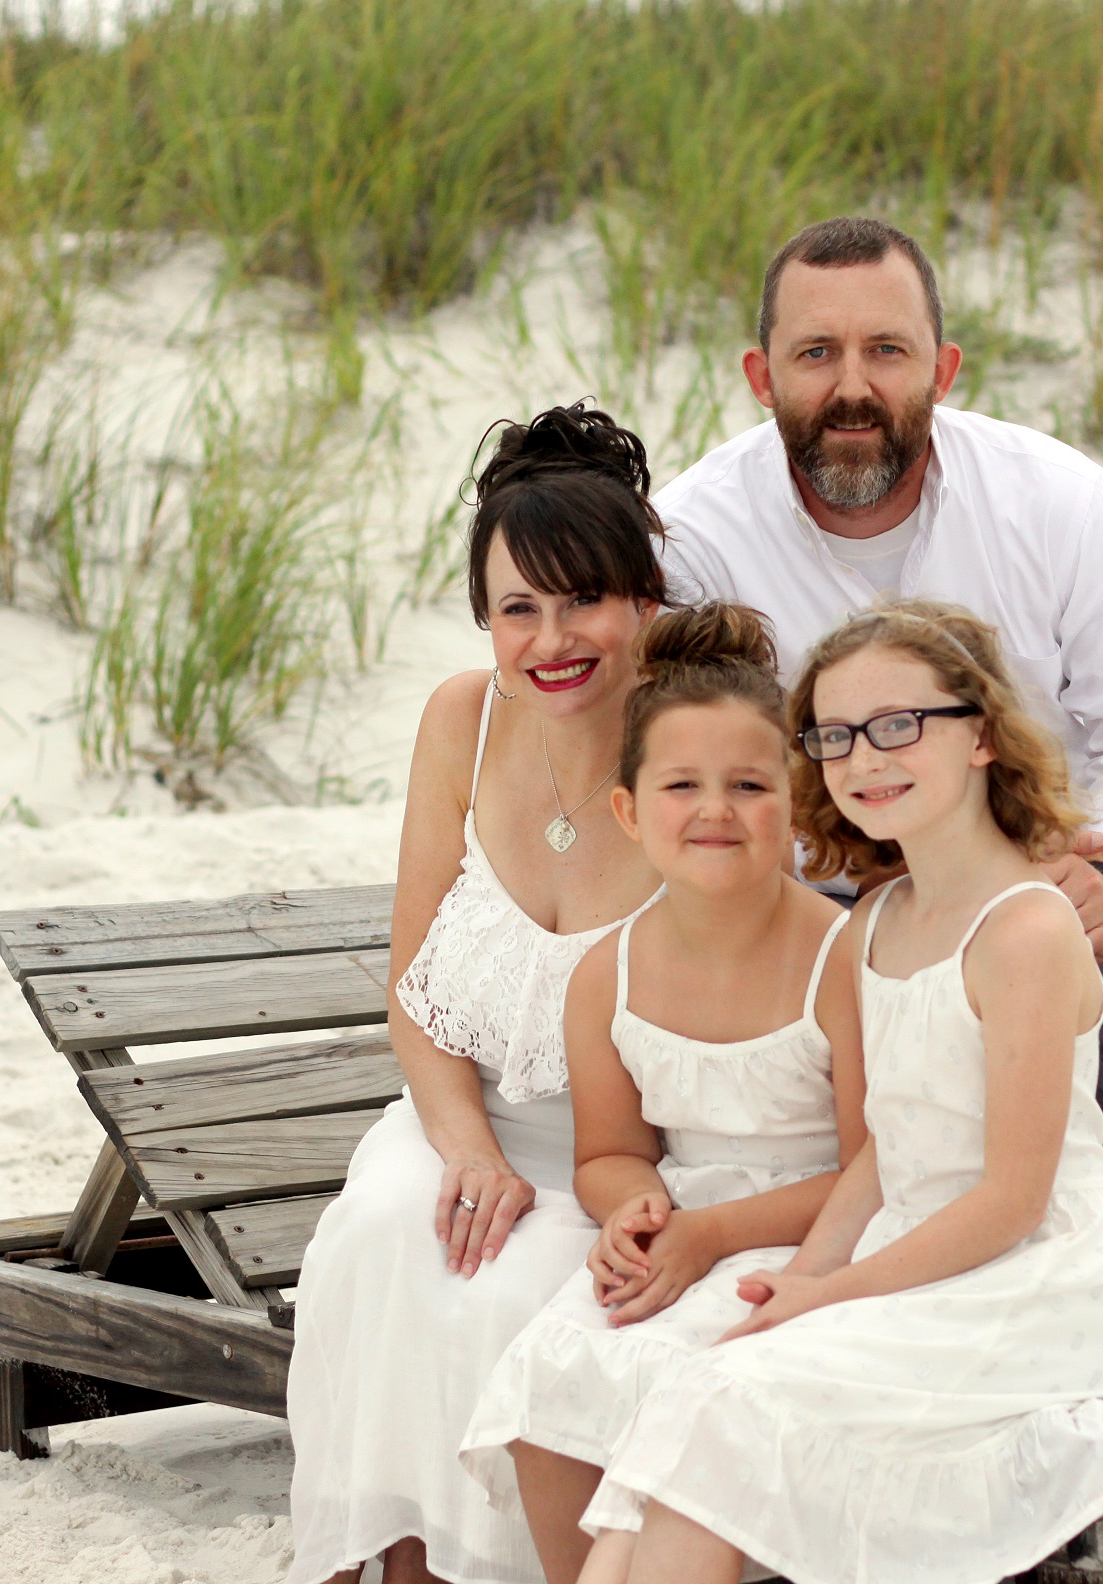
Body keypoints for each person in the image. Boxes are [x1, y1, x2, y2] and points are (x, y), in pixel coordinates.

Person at [651, 216, 1103, 1321]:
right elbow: (687, 770)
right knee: (851, 1143)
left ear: (942, 367)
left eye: (886, 350)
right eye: (815, 353)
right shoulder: (696, 537)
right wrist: (867, 876)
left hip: (1056, 871)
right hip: (820, 899)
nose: (852, 386)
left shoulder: (1054, 497)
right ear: (760, 376)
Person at [579, 600, 1103, 1584]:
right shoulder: (877, 919)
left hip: (1030, 1286)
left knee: (728, 1403)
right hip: (902, 1257)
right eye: (836, 736)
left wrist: (831, 1295)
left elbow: (1012, 1200)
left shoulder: (1026, 930)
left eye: (900, 725)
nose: (867, 759)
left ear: (984, 736)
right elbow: (883, 1151)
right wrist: (805, 1278)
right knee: (687, 1390)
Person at [287, 403, 671, 1584]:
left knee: (520, 1291)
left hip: (636, 1156)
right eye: (519, 608)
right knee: (382, 1232)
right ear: (484, 620)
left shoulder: (694, 731)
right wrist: (464, 1149)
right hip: (467, 1117)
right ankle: (398, 1567)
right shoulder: (462, 718)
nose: (552, 638)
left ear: (645, 602)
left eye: (584, 600)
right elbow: (415, 984)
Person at [459, 602, 865, 1584]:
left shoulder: (844, 958)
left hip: (818, 1238)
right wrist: (632, 1209)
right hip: (686, 1224)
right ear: (631, 812)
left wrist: (712, 1235)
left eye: (749, 785)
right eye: (682, 785)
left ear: (799, 802)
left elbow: (879, 1172)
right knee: (558, 1370)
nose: (714, 809)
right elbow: (609, 1152)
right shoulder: (610, 973)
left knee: (699, 1382)